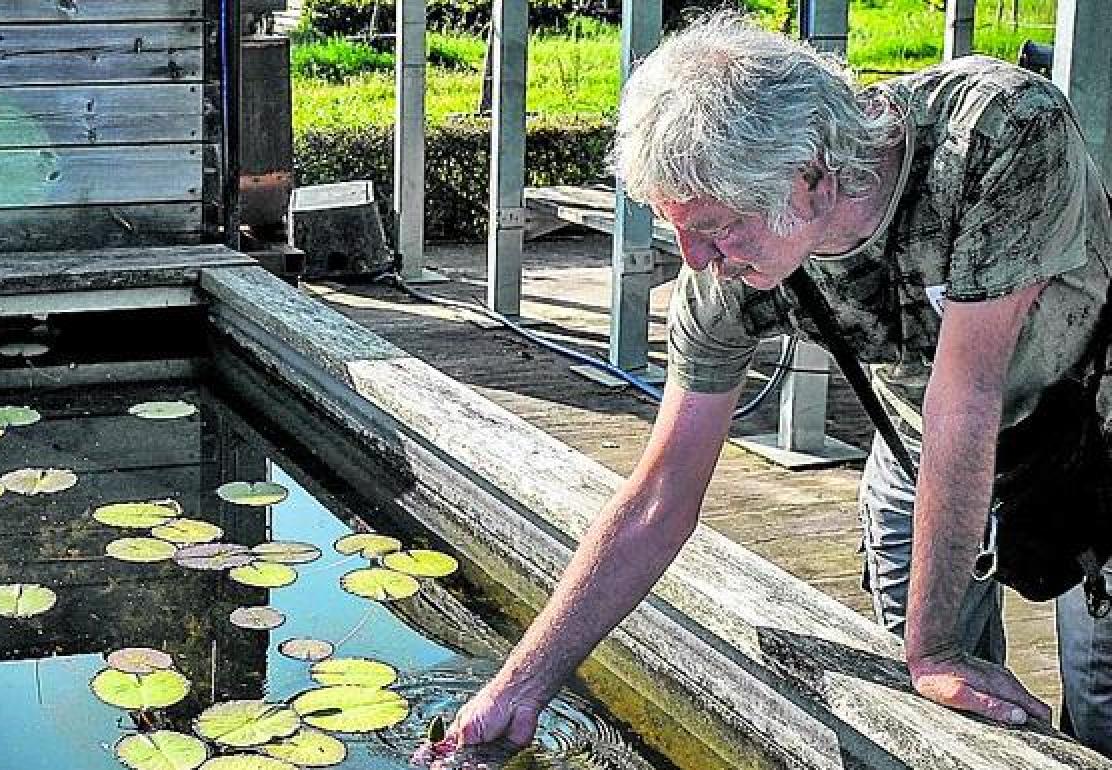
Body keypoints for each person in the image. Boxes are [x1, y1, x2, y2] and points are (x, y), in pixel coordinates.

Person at [434, 11, 1112, 761]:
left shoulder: (997, 134)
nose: (694, 261)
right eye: (676, 228)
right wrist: (521, 685)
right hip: (915, 445)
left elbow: (968, 397)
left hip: (1094, 439)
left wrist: (935, 650)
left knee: (1101, 703)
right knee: (944, 730)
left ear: (815, 177)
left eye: (717, 227)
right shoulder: (729, 273)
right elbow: (660, 496)